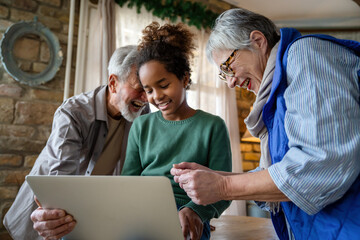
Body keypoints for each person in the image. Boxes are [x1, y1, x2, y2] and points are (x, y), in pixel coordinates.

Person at [171, 8, 360, 240]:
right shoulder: (277, 90)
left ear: (258, 41)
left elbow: (316, 166)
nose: (230, 82)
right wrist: (217, 177)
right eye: (223, 74)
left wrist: (223, 187)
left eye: (228, 67)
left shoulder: (305, 54)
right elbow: (276, 175)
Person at [3, 45, 148, 240]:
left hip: (87, 215)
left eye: (149, 89)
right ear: (113, 83)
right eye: (139, 88)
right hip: (44, 216)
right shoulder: (73, 112)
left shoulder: (143, 114)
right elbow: (60, 183)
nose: (146, 98)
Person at [121, 22, 232, 240]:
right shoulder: (141, 126)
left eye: (163, 85)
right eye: (149, 90)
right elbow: (129, 182)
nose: (156, 96)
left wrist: (197, 212)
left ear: (184, 79)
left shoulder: (213, 126)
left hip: (189, 215)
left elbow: (224, 189)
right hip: (143, 212)